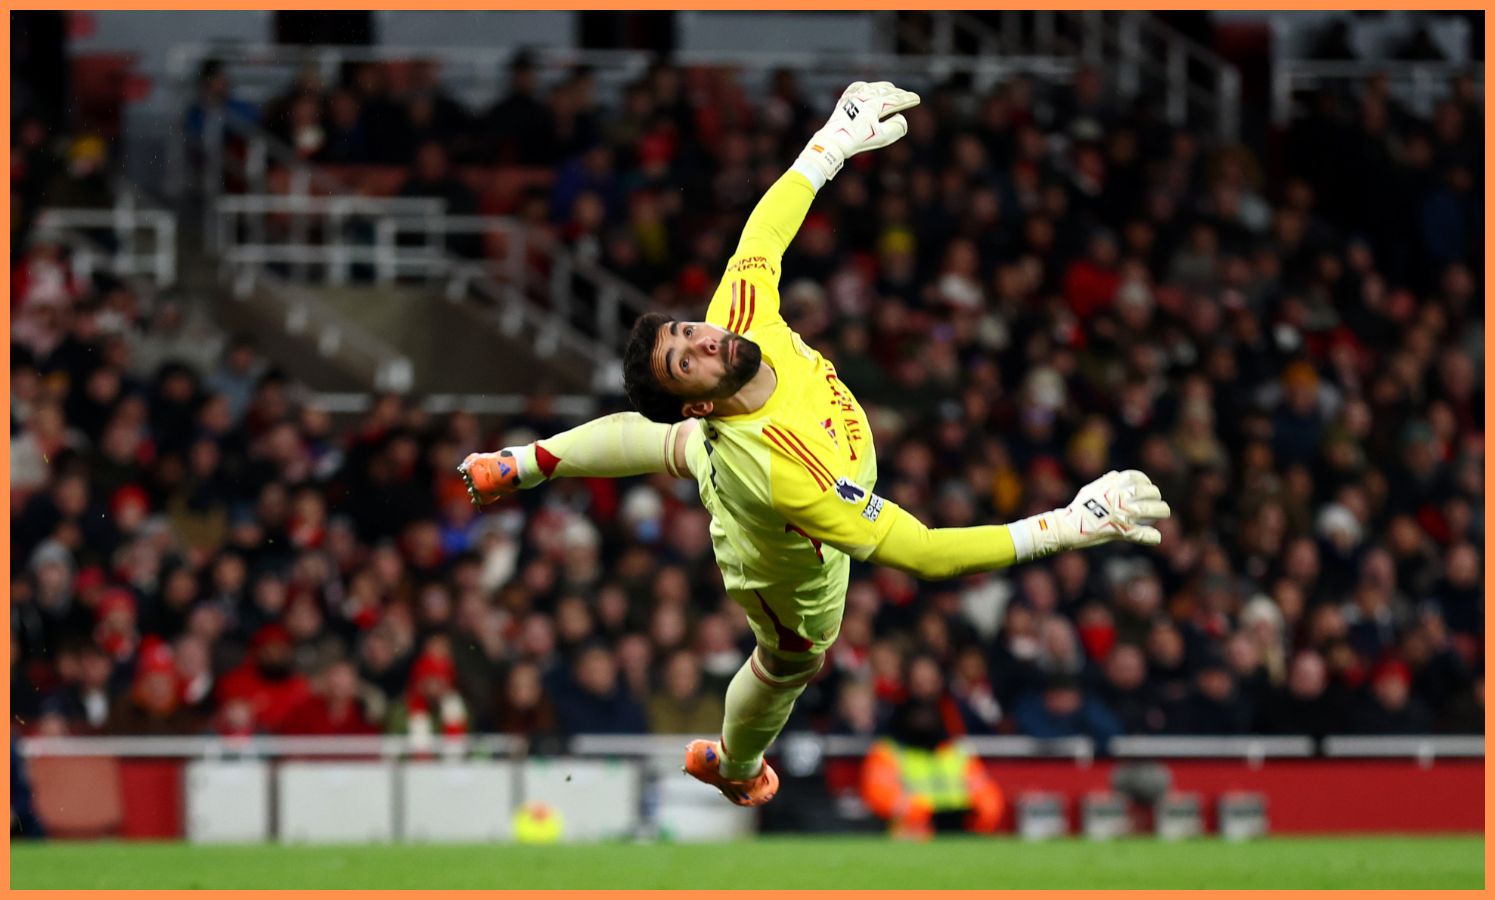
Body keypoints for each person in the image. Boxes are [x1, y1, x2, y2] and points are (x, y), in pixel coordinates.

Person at [459, 81, 1171, 807]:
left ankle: (515, 463)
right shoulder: (780, 472)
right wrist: (1070, 526)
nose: (701, 337)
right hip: (783, 571)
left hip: (735, 451)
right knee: (791, 658)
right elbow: (923, 552)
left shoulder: (737, 316)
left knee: (677, 447)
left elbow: (762, 235)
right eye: (685, 359)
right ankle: (734, 766)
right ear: (700, 396)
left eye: (684, 331)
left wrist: (833, 140)